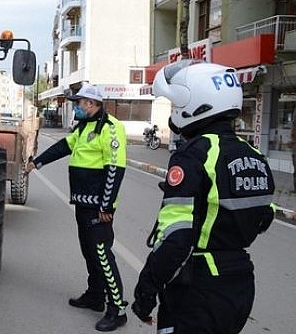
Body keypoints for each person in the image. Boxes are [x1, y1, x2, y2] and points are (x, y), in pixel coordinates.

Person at [131, 60, 275, 333]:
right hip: (240, 284)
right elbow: (264, 216)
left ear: (195, 103)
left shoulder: (194, 155)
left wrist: (145, 293)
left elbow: (176, 238)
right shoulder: (254, 155)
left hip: (197, 290)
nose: (174, 112)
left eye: (176, 105)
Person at [26, 84, 128, 332]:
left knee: (103, 255)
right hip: (83, 203)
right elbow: (64, 147)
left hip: (99, 207)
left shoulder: (111, 128)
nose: (76, 107)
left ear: (91, 104)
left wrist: (106, 205)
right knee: (89, 252)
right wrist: (37, 162)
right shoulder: (84, 127)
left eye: (79, 103)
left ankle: (118, 309)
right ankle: (95, 296)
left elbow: (115, 169)